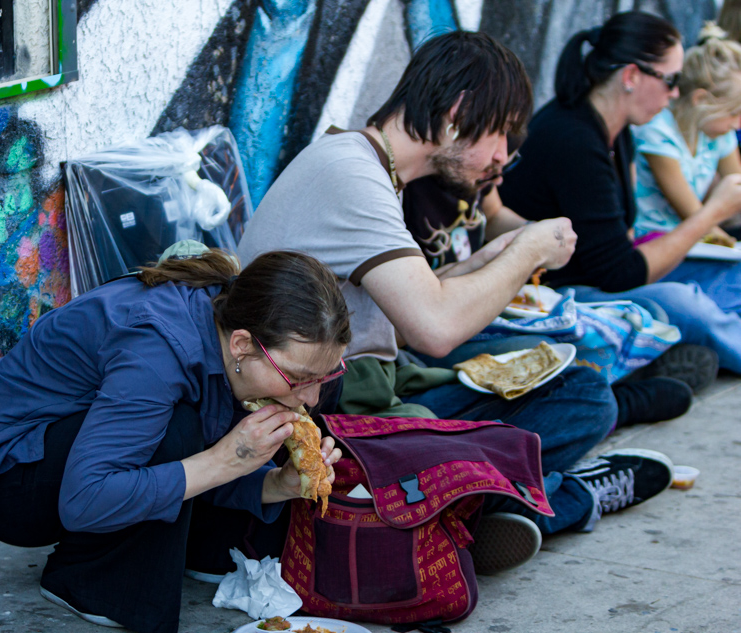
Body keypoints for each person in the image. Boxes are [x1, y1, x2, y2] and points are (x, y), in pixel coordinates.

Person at [238, 31, 674, 564]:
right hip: (330, 418)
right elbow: (436, 328)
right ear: (458, 112)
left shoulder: (365, 165)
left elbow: (408, 306)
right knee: (580, 403)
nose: (502, 156)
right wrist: (530, 247)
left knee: (580, 390)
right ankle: (559, 499)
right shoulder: (351, 176)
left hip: (362, 394)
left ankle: (479, 501)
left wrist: (496, 259)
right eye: (500, 134)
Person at [0, 247, 350, 632]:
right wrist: (224, 460)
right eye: (297, 378)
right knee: (178, 428)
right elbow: (84, 498)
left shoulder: (234, 335)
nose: (310, 398)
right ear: (242, 344)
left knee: (220, 428)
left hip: (88, 452)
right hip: (10, 479)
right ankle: (87, 581)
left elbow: (211, 453)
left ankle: (192, 550)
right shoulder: (156, 348)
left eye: (321, 377)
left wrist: (274, 483)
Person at [499, 11, 741, 381]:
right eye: (670, 80)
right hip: (560, 296)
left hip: (607, 281)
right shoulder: (573, 138)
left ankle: (681, 347)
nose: (675, 93)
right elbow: (620, 274)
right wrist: (710, 215)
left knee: (728, 275)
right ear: (631, 76)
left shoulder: (617, 129)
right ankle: (674, 350)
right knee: (684, 303)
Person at [402, 172, 693, 427]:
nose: (501, 167)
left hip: (486, 310)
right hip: (438, 337)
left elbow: (494, 214)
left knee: (650, 312)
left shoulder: (474, 165)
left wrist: (533, 238)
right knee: (546, 354)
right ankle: (610, 401)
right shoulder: (402, 189)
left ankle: (598, 390)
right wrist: (524, 252)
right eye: (496, 141)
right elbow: (426, 321)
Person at [631, 23, 741, 315]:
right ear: (701, 100)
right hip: (655, 245)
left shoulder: (718, 133)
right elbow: (693, 214)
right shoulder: (657, 132)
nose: (738, 123)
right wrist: (730, 242)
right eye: (733, 113)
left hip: (695, 241)